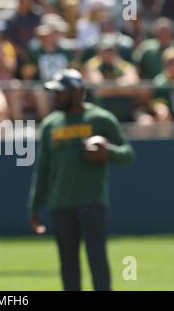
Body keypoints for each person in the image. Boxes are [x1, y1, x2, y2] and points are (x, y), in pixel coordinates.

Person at [27, 68, 135, 291]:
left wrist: (109, 152)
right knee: (68, 263)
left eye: (61, 92)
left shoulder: (100, 119)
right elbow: (43, 169)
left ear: (77, 92)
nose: (55, 97)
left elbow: (128, 154)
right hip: (60, 203)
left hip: (92, 201)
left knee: (97, 258)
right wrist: (35, 207)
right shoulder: (50, 124)